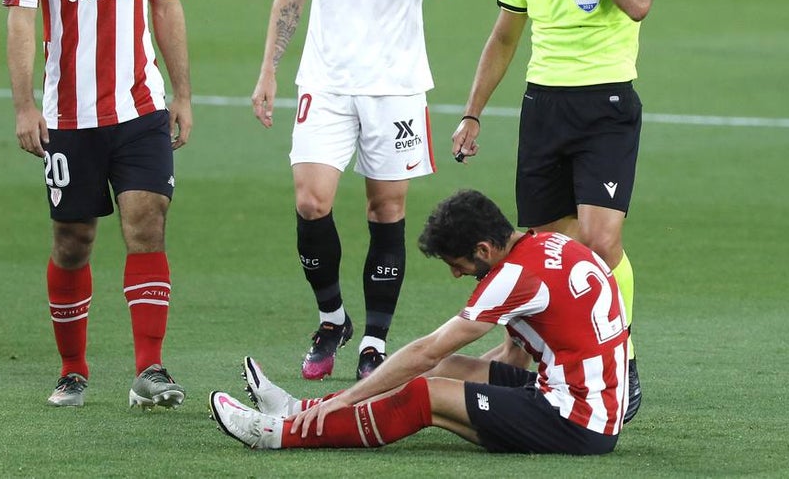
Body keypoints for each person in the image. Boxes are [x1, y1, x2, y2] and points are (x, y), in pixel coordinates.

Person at [250, 0, 460, 382]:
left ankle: (373, 338)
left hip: (394, 86)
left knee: (385, 207)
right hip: (327, 79)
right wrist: (269, 67)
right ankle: (332, 316)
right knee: (311, 199)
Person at [450, 0, 654, 424]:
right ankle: (541, 360)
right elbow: (505, 37)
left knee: (599, 239)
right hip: (544, 106)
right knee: (548, 249)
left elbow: (637, 4)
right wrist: (472, 113)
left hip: (606, 103)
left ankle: (622, 357)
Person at [3, 0, 192, 408]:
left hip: (140, 108)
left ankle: (151, 370)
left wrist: (182, 94)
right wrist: (25, 105)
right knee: (73, 239)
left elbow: (166, 8)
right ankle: (74, 369)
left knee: (147, 222)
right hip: (69, 116)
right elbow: (22, 19)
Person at [209, 189, 629, 454]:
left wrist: (348, 398)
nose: (456, 274)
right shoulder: (550, 243)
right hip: (590, 401)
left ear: (484, 248)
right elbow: (513, 357)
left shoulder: (513, 278)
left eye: (458, 264)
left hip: (575, 420)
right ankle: (296, 410)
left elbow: (427, 351)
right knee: (446, 374)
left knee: (425, 393)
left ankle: (278, 434)